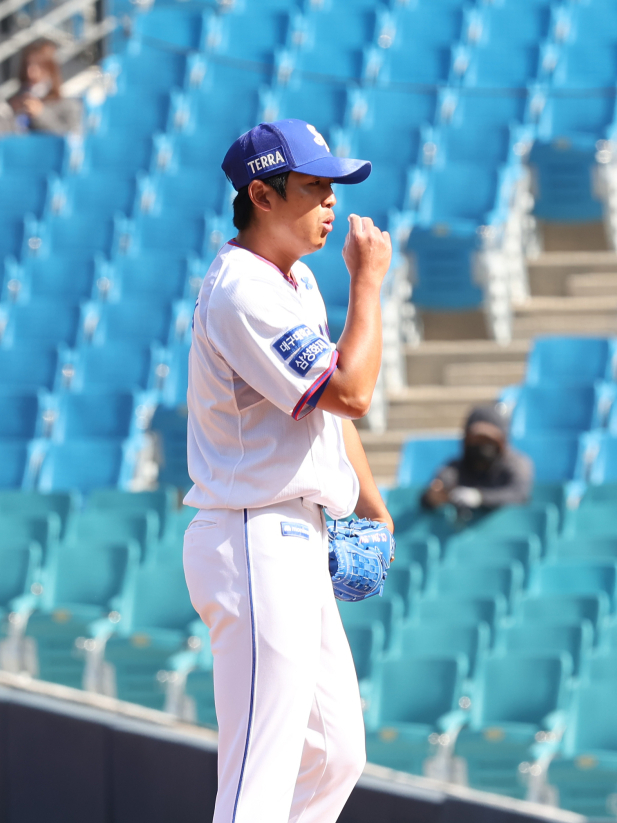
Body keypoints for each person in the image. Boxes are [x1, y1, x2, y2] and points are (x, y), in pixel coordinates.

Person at [182, 119, 394, 823]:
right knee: (259, 778)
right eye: (313, 187)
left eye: (333, 189)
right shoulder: (243, 288)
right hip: (253, 536)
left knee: (335, 751)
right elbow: (353, 392)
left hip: (291, 533)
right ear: (261, 195)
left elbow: (325, 406)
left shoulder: (294, 278)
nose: (330, 203)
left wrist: (369, 500)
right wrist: (369, 285)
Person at [422, 404, 533, 513]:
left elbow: (519, 494)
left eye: (488, 439)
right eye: (477, 438)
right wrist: (433, 496)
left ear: (502, 440)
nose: (483, 445)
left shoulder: (517, 464)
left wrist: (481, 497)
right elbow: (435, 488)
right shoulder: (456, 467)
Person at [2, 39, 82, 135]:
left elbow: (72, 139)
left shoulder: (67, 106)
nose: (30, 72)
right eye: (27, 65)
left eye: (38, 66)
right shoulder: (13, 103)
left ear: (50, 69)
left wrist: (40, 114)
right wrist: (8, 114)